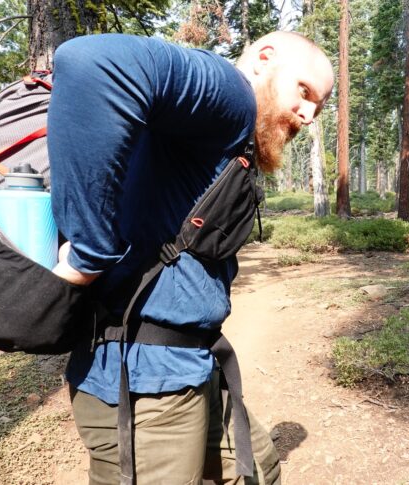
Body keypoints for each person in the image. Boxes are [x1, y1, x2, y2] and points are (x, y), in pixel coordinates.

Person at [47, 31, 334, 484]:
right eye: (304, 91)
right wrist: (88, 253)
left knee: (258, 468)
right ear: (264, 59)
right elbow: (92, 61)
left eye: (319, 105)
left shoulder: (227, 131)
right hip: (143, 383)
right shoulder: (233, 95)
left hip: (190, 365)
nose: (309, 114)